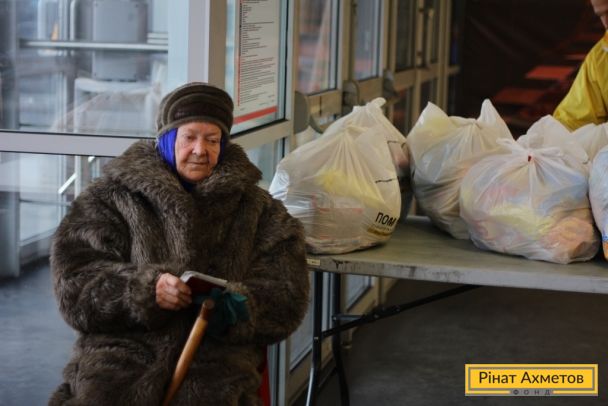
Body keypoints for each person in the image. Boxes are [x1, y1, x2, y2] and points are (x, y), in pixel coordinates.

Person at [49, 82, 310, 405]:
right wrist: (144, 291)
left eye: (212, 139)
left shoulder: (259, 210)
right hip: (121, 354)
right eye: (189, 137)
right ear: (167, 139)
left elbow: (287, 295)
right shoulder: (109, 200)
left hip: (216, 362)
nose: (200, 150)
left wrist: (237, 307)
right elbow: (74, 285)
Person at [553, 0, 608, 130]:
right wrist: (549, 137)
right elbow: (573, 120)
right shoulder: (600, 57)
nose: (606, 22)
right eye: (601, 15)